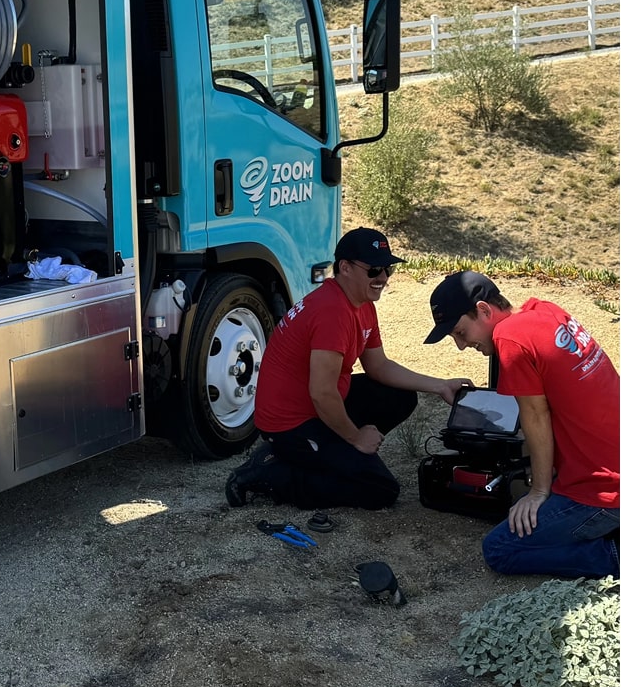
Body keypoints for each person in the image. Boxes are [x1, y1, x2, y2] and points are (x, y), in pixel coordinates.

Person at [226, 228, 472, 509]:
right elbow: (321, 393)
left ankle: (324, 453)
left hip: (315, 408)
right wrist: (356, 438)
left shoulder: (360, 303)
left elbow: (378, 365)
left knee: (400, 396)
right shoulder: (332, 311)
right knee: (379, 490)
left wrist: (440, 385)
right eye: (374, 269)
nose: (382, 278)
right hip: (291, 424)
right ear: (345, 267)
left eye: (387, 269)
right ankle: (271, 475)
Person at [424, 270, 620, 579]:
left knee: (500, 549)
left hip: (604, 491)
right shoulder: (544, 310)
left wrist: (539, 491)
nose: (462, 346)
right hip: (612, 467)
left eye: (461, 333)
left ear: (484, 310)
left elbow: (536, 417)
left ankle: (613, 556)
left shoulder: (510, 339)